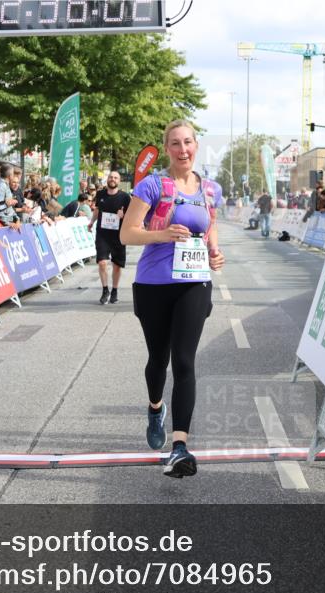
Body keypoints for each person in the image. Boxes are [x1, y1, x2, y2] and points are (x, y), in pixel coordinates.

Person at [119, 120, 226, 478]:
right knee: (158, 360)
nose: (183, 150)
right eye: (176, 144)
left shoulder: (210, 189)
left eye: (189, 143)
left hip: (194, 283)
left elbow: (210, 225)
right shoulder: (151, 185)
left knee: (184, 361)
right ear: (167, 149)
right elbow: (127, 234)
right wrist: (163, 234)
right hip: (153, 284)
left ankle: (180, 447)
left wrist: (214, 252)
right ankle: (154, 407)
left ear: (197, 145)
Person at [89, 170, 130, 304]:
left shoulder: (125, 197)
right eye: (111, 177)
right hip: (102, 234)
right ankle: (105, 289)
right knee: (102, 262)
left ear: (119, 181)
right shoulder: (100, 194)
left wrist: (123, 216)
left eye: (115, 178)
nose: (113, 179)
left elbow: (130, 216)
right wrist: (91, 222)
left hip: (118, 235)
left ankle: (115, 290)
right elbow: (97, 210)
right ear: (108, 179)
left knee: (117, 265)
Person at [0, 164, 20, 228]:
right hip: (2, 225)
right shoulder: (1, 185)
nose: (14, 175)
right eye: (13, 173)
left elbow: (9, 207)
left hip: (8, 222)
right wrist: (7, 223)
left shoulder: (5, 185)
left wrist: (16, 219)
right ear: (10, 175)